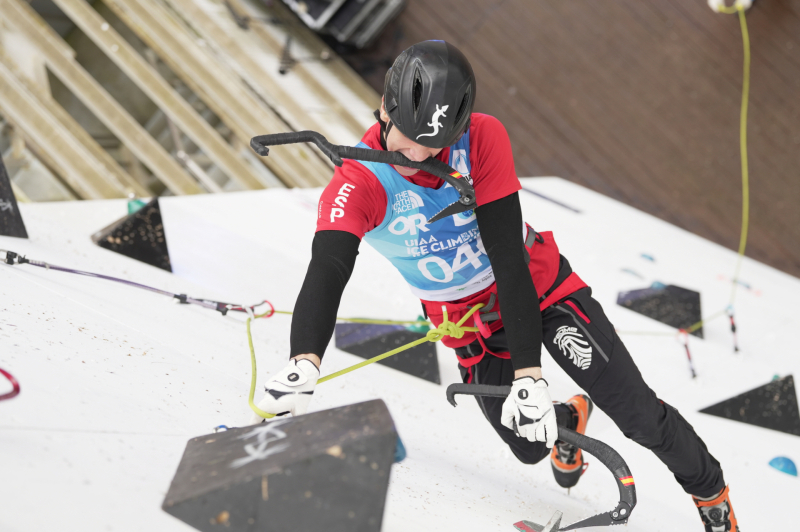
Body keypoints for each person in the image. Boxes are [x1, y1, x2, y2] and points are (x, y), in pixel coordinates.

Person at [251, 40, 739, 532]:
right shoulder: (358, 184)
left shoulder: (482, 138)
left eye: (433, 145)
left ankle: (711, 495)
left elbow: (508, 261)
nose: (418, 155)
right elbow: (328, 268)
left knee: (637, 415)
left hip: (540, 293)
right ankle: (567, 421)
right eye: (407, 138)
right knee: (527, 445)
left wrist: (530, 375)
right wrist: (304, 361)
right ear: (383, 109)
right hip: (471, 325)